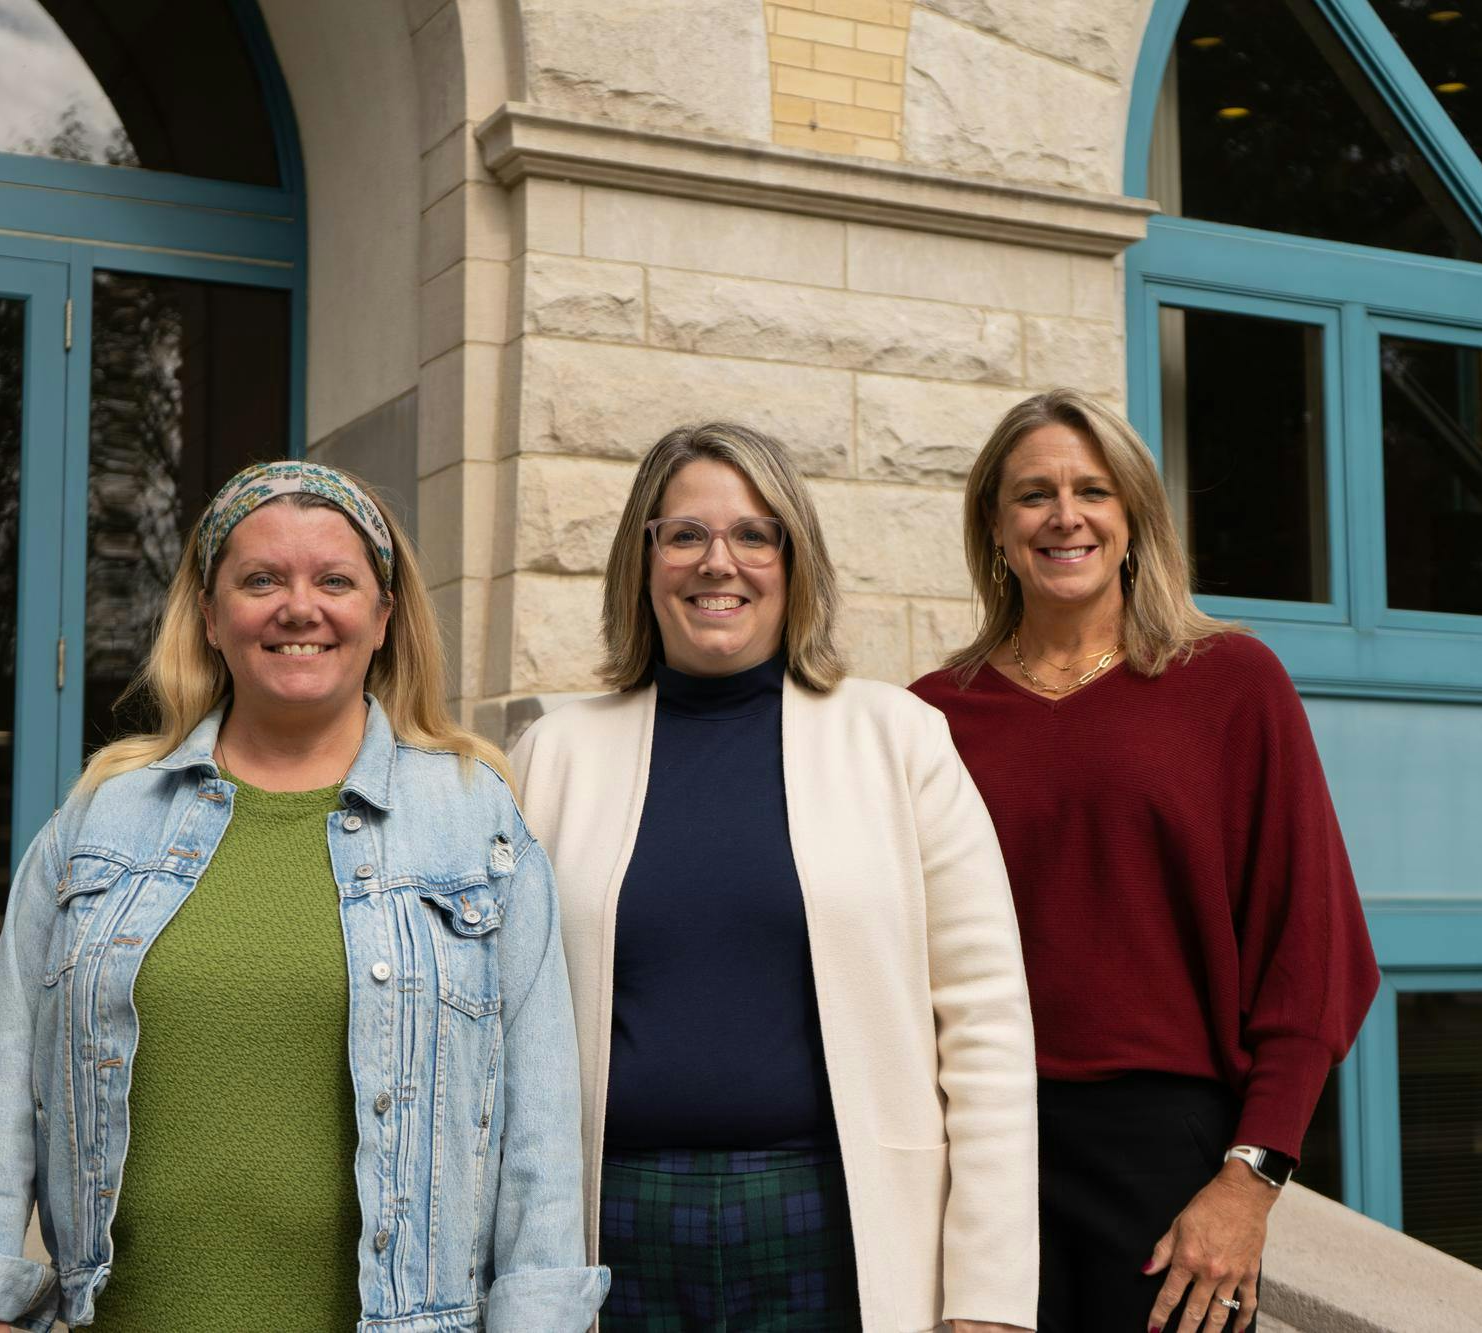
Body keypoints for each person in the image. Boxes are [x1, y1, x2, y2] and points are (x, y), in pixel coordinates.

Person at [0, 460, 605, 1331]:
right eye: (261, 580)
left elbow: (541, 1136)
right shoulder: (101, 818)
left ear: (383, 614)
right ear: (212, 617)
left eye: (336, 579)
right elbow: (0, 1094)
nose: (300, 607)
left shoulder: (476, 820)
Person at [510, 423, 1039, 1333]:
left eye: (754, 534)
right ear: (643, 561)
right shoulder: (550, 756)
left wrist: (988, 1298)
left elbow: (986, 1023)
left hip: (837, 1227)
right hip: (611, 1234)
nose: (720, 563)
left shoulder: (898, 738)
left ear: (795, 563)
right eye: (685, 535)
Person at [909, 389, 1381, 1333]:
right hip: (973, 1154)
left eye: (1093, 490)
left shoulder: (1232, 683)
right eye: (1033, 494)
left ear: (1134, 520)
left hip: (1165, 1165)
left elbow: (1314, 954)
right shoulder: (930, 715)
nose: (1064, 514)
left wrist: (1250, 1179)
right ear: (995, 528)